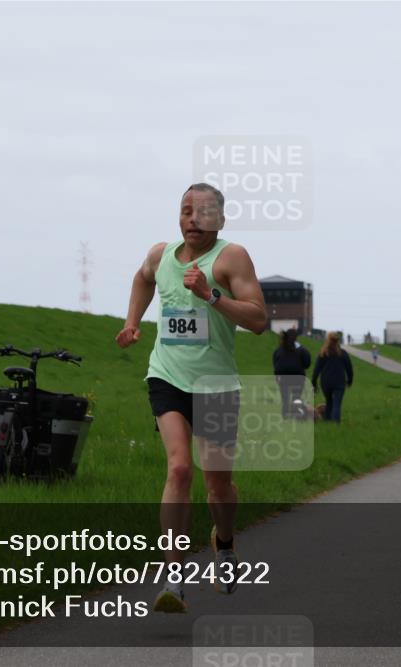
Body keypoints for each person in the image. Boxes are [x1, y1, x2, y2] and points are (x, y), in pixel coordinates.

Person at [115, 183, 267, 613]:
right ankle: (174, 576)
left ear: (220, 219)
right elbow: (142, 278)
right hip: (167, 376)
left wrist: (211, 295)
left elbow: (258, 319)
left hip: (216, 386)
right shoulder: (160, 255)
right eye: (186, 210)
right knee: (180, 468)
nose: (193, 219)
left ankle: (225, 545)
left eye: (203, 212)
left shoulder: (231, 258)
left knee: (218, 486)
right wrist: (132, 321)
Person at [311, 332, 354, 423]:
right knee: (337, 403)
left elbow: (316, 369)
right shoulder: (343, 353)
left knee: (329, 401)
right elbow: (349, 368)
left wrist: (314, 382)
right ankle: (336, 423)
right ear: (338, 341)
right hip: (339, 382)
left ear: (327, 340)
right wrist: (350, 380)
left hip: (326, 383)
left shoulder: (323, 353)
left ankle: (327, 420)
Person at [272, 329, 311, 417]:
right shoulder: (301, 350)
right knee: (296, 397)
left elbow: (275, 363)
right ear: (296, 337)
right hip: (298, 378)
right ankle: (296, 415)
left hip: (283, 378)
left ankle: (285, 415)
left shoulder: (279, 350)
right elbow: (307, 363)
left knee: (285, 398)